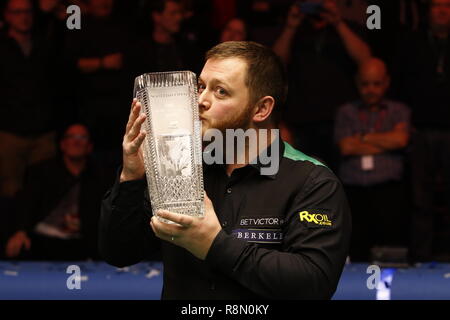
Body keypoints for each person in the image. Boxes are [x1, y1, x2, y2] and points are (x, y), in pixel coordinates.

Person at [99, 41, 351, 299]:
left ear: (261, 108)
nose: (200, 100)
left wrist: (213, 243)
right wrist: (131, 176)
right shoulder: (180, 168)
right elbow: (119, 253)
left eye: (220, 91)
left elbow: (313, 284)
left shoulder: (312, 181)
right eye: (201, 87)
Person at [273, 0, 371, 168]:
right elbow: (274, 65)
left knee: (342, 179)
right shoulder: (294, 29)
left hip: (341, 120)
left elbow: (366, 61)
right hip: (301, 119)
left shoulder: (346, 27)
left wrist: (338, 23)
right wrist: (291, 27)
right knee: (303, 179)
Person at [334, 58, 411, 261]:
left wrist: (362, 137)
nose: (371, 90)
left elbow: (401, 140)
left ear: (386, 82)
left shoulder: (399, 111)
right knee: (355, 249)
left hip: (389, 187)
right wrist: (385, 139)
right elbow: (345, 146)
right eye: (365, 84)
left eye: (376, 84)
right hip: (353, 188)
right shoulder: (346, 112)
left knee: (390, 248)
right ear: (357, 83)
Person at [393, 0, 450, 262]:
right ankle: (421, 258)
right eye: (437, 5)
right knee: (420, 200)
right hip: (420, 130)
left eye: (448, 5)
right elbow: (400, 82)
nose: (442, 10)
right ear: (428, 11)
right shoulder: (412, 43)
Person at [5, 124, 111, 260]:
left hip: (84, 243)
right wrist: (20, 231)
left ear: (90, 146)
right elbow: (26, 204)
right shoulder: (41, 172)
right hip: (44, 241)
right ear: (62, 145)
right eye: (71, 137)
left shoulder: (100, 176)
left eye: (82, 137)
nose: (76, 141)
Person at [0, 0, 58, 200]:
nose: (23, 17)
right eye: (17, 12)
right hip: (10, 133)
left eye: (27, 12)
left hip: (43, 132)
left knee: (43, 190)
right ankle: (12, 231)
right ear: (7, 15)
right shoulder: (3, 47)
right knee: (9, 190)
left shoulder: (44, 45)